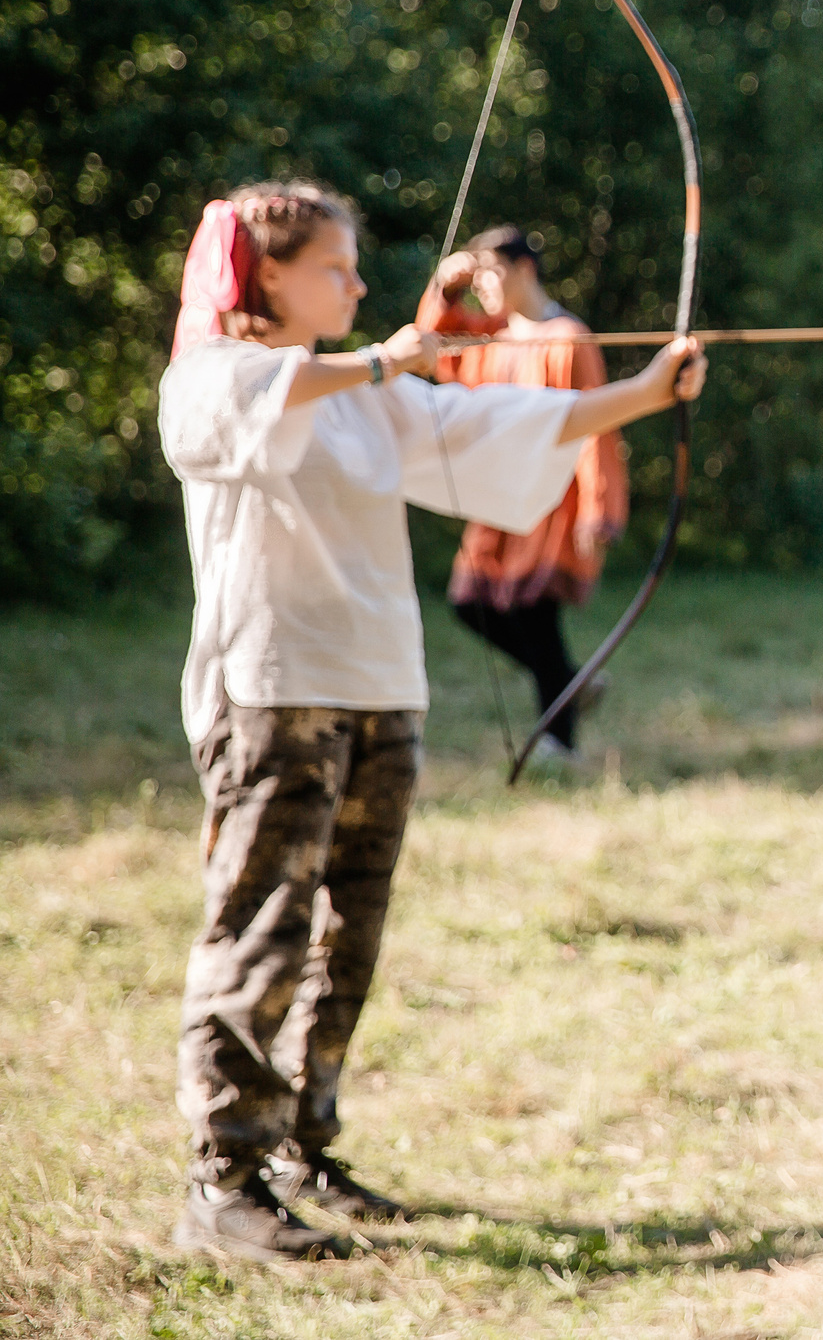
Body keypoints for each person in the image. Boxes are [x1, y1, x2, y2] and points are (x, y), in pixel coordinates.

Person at [156, 179, 708, 1261]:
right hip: (274, 692)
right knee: (262, 929)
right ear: (267, 275)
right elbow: (247, 404)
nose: (358, 284)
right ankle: (223, 1180)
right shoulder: (215, 374)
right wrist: (382, 359)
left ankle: (303, 1148)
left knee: (347, 932)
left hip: (379, 687)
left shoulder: (368, 392)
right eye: (334, 266)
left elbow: (492, 424)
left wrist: (643, 394)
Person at [418, 226, 626, 763]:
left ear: (524, 269)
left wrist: (599, 509)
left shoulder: (566, 336)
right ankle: (573, 685)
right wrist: (445, 288)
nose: (483, 286)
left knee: (536, 616)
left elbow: (596, 423)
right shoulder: (492, 337)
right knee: (470, 603)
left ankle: (559, 743)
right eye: (477, 278)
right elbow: (430, 351)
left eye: (491, 273)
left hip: (552, 505)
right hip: (501, 499)